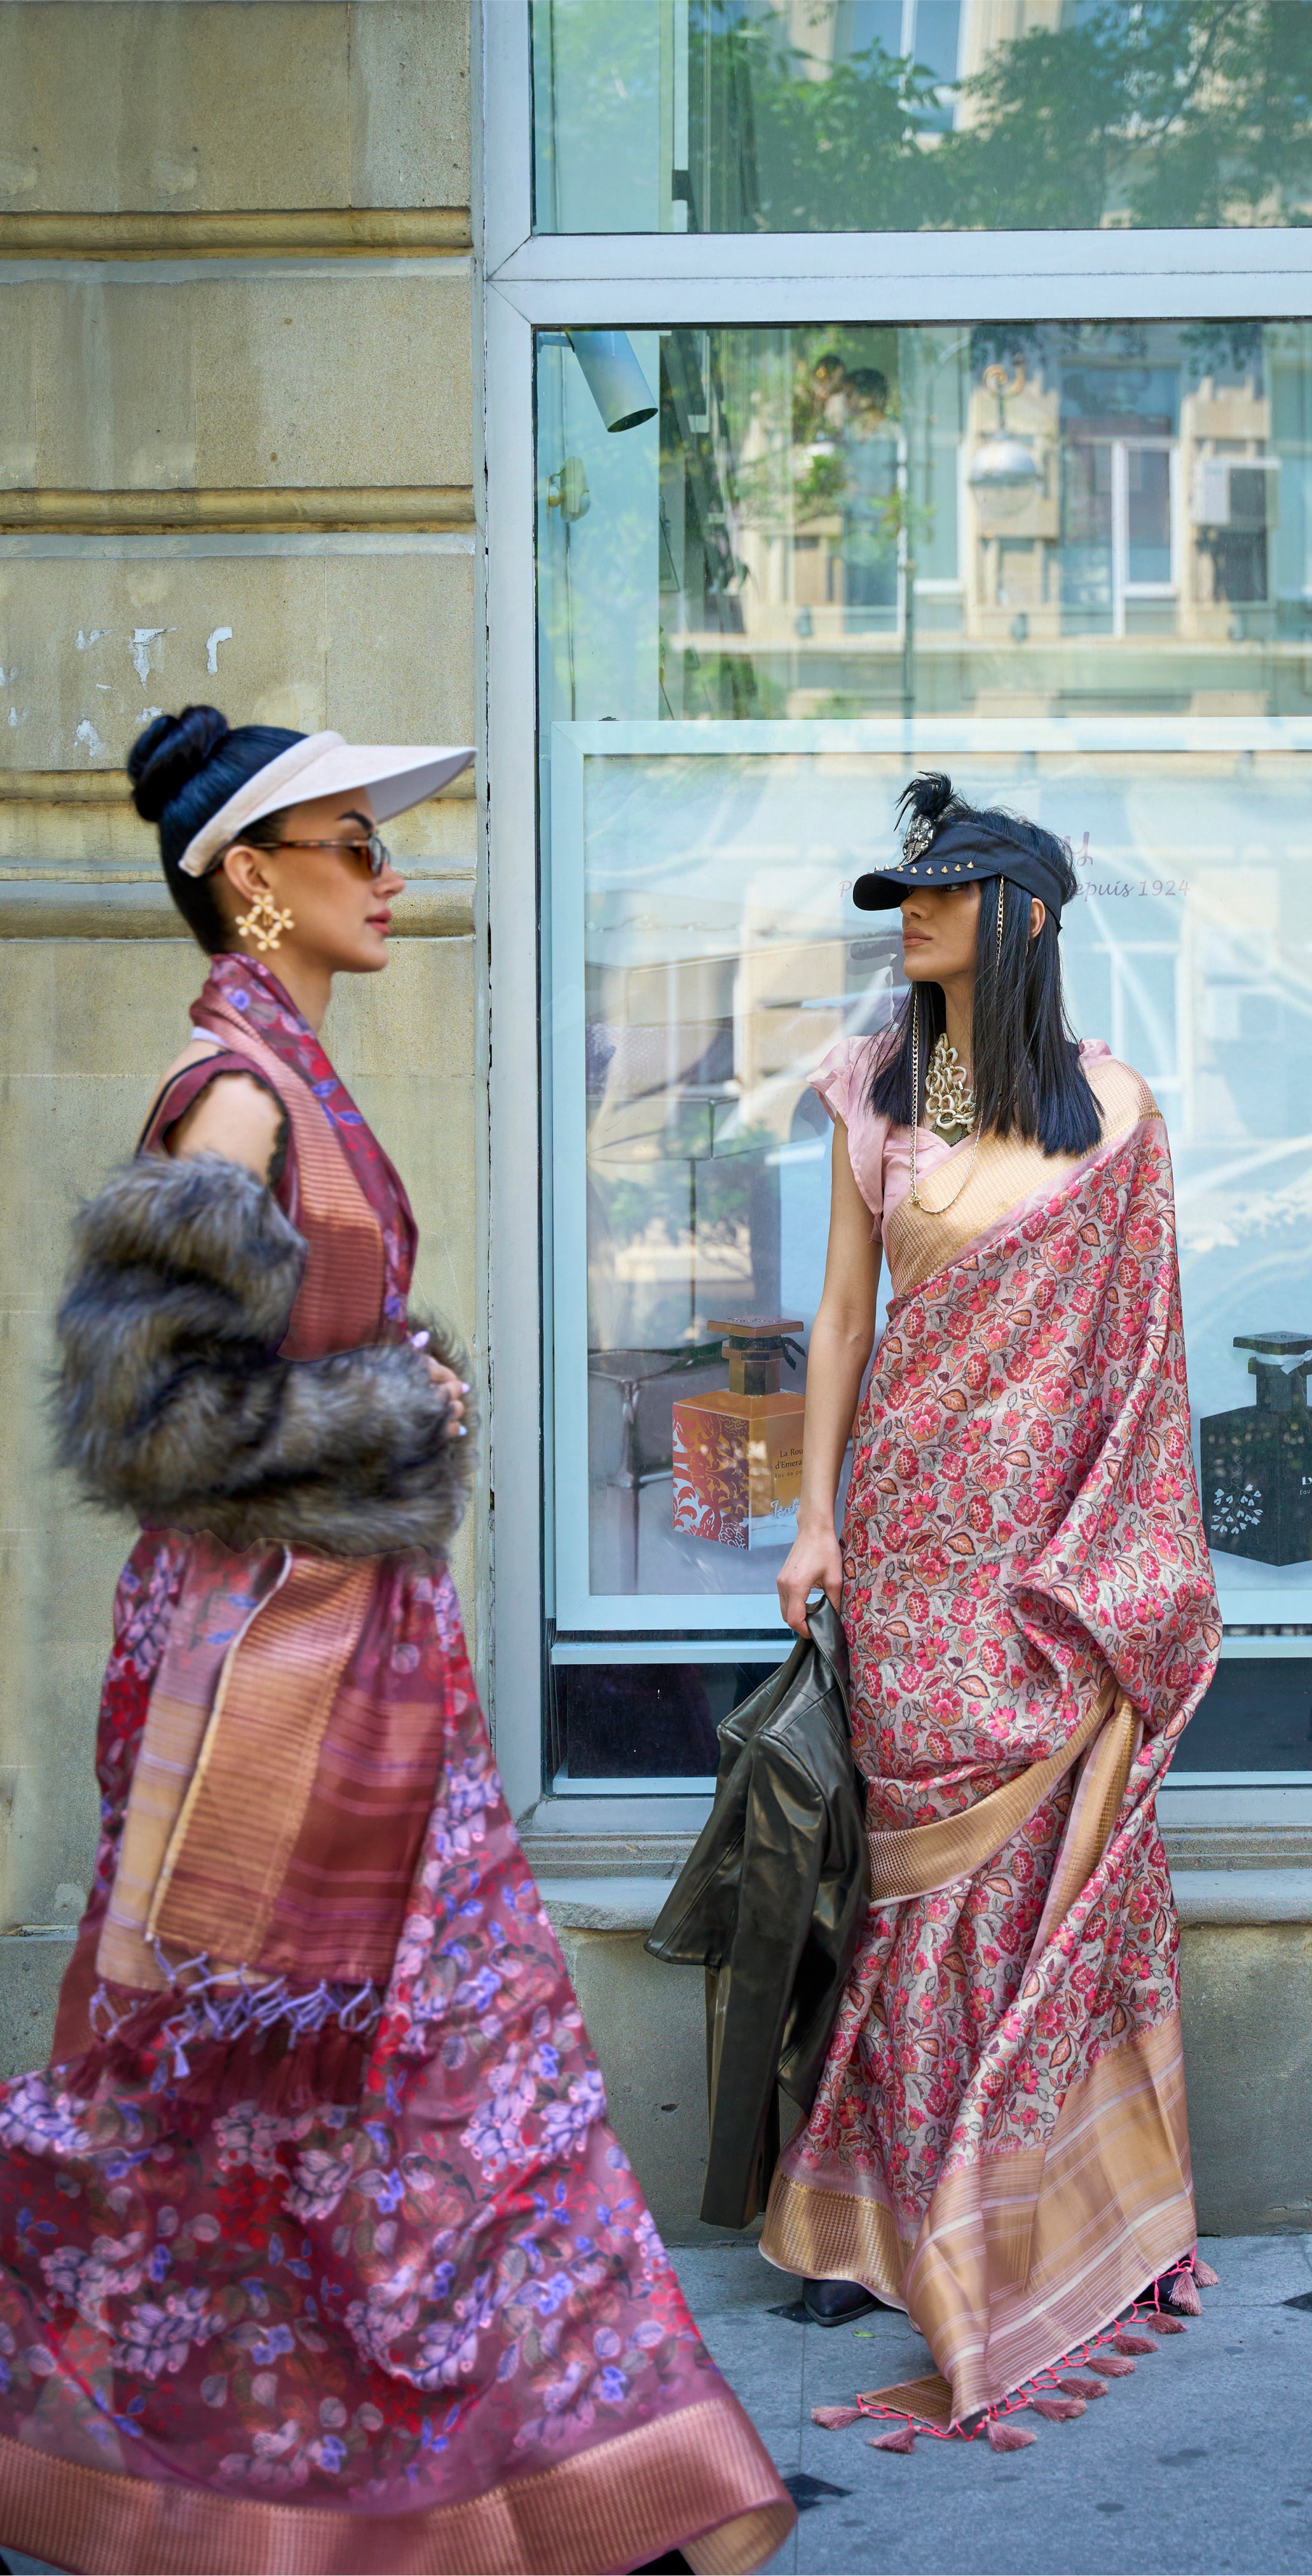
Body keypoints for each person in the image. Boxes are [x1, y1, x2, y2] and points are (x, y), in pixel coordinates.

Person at [0, 708, 792, 2575]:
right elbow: (146, 1419)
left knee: (451, 2068)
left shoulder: (292, 1069)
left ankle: (591, 2480)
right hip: (263, 1672)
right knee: (244, 2085)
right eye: (355, 844)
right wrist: (392, 1413)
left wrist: (384, 1376)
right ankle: (250, 2484)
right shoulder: (237, 1094)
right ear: (251, 880)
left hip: (357, 1659)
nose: (392, 872)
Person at [763, 772, 1220, 2430]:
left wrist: (1114, 1567)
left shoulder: (1116, 1110)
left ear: (1018, 913)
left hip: (1056, 1565)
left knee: (1049, 1877)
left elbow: (1146, 1363)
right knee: (916, 1883)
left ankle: (1067, 2211)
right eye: (905, 894)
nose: (912, 916)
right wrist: (811, 1519)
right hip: (905, 1543)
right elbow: (833, 1322)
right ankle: (876, 2222)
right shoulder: (873, 1090)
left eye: (943, 891)